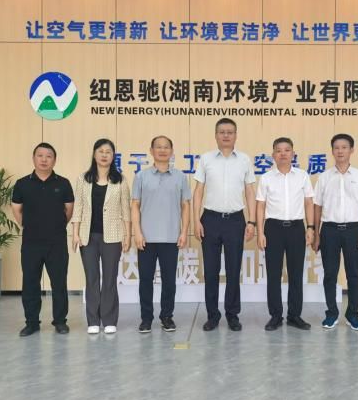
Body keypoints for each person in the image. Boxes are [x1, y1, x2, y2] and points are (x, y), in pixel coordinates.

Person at [193, 118, 256, 331]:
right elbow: (198, 191)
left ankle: (232, 315)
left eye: (230, 132)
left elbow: (250, 191)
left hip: (236, 221)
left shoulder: (244, 160)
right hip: (210, 220)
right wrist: (196, 220)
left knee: (233, 270)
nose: (226, 135)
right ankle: (212, 315)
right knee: (211, 271)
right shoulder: (206, 159)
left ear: (236, 135)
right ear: (216, 135)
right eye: (222, 132)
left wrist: (252, 221)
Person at [313, 134, 358, 331]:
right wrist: (316, 234)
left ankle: (353, 315)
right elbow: (317, 207)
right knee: (330, 274)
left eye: (344, 147)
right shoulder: (324, 177)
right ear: (332, 151)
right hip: (329, 230)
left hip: (354, 230)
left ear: (352, 150)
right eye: (336, 147)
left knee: (353, 275)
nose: (340, 151)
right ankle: (331, 314)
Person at [12, 143, 74, 337]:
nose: (44, 159)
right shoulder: (22, 184)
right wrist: (29, 225)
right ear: (34, 158)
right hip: (31, 242)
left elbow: (68, 210)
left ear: (54, 160)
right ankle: (31, 323)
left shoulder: (63, 183)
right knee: (30, 283)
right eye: (40, 155)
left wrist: (55, 225)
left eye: (49, 156)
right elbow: (17, 209)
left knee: (59, 283)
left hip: (57, 242)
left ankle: (60, 321)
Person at [71, 139, 131, 334]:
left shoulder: (120, 180)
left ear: (113, 156)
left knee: (110, 278)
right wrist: (75, 234)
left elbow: (126, 210)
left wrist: (127, 235)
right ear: (94, 154)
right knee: (92, 278)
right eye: (101, 151)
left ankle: (109, 319)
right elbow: (78, 207)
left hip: (112, 236)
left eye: (108, 152)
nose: (104, 155)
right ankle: (93, 321)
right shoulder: (83, 179)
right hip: (87, 236)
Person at [132, 136, 191, 333]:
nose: (162, 150)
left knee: (169, 281)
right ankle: (146, 318)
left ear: (172, 151)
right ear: (151, 151)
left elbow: (185, 206)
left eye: (166, 147)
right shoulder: (141, 176)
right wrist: (137, 232)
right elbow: (135, 205)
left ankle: (167, 316)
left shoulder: (180, 177)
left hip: (171, 237)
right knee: (145, 281)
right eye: (158, 147)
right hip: (146, 239)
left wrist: (184, 232)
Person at [257, 137, 315, 331]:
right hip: (273, 228)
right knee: (273, 274)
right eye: (279, 150)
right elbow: (260, 206)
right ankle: (275, 316)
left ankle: (294, 316)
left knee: (296, 274)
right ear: (273, 155)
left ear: (293, 154)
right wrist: (260, 232)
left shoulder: (302, 176)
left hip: (297, 228)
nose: (283, 153)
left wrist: (310, 227)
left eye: (287, 150)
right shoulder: (266, 178)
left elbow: (309, 202)